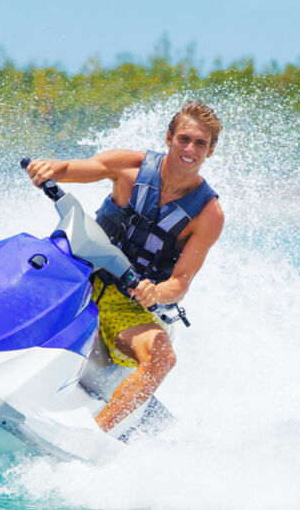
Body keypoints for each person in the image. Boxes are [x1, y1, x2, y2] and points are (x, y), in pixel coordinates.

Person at [24, 100, 224, 432]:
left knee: (163, 359)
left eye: (200, 143)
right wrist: (48, 169)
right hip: (80, 273)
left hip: (126, 303)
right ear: (169, 138)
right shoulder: (129, 167)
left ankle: (95, 437)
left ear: (210, 151)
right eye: (184, 139)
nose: (190, 149)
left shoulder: (208, 215)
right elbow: (69, 169)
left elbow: (179, 284)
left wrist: (154, 291)